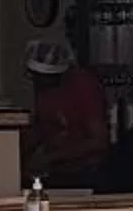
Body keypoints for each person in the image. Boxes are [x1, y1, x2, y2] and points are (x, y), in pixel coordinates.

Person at [24, 35, 111, 188]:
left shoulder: (84, 87)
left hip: (85, 173)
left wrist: (51, 157)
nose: (39, 82)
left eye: (45, 78)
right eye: (35, 77)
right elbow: (39, 128)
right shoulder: (42, 90)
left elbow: (99, 141)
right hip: (54, 171)